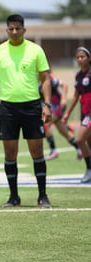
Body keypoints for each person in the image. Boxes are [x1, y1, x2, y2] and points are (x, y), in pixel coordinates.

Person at [0, 14, 53, 208]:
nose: (14, 32)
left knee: (37, 151)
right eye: (11, 29)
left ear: (24, 30)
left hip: (32, 106)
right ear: (6, 30)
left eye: (18, 28)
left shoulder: (35, 50)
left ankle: (42, 196)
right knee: (9, 153)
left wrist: (47, 105)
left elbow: (45, 79)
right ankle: (14, 197)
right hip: (7, 108)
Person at [62, 47, 91, 182]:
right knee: (89, 143)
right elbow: (75, 96)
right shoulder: (78, 75)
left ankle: (89, 169)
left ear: (89, 58)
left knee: (79, 140)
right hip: (84, 111)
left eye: (82, 57)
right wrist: (67, 113)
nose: (79, 59)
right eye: (77, 57)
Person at [39, 72, 82, 160]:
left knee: (45, 125)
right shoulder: (35, 81)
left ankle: (53, 150)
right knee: (63, 131)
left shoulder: (48, 78)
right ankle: (80, 149)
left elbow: (64, 85)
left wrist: (63, 99)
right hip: (50, 109)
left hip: (57, 106)